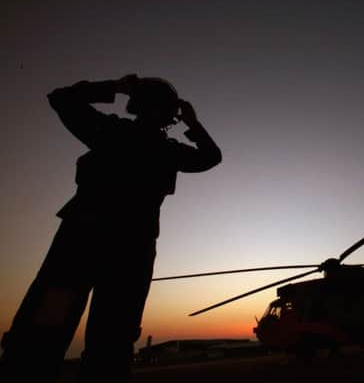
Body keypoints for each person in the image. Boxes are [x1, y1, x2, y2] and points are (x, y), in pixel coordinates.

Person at [0, 75, 222, 382]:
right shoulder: (165, 150)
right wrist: (192, 123)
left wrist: (114, 87)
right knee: (108, 337)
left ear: (136, 104)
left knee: (49, 328)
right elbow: (211, 157)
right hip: (126, 248)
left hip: (83, 241)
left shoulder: (110, 132)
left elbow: (61, 98)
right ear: (170, 114)